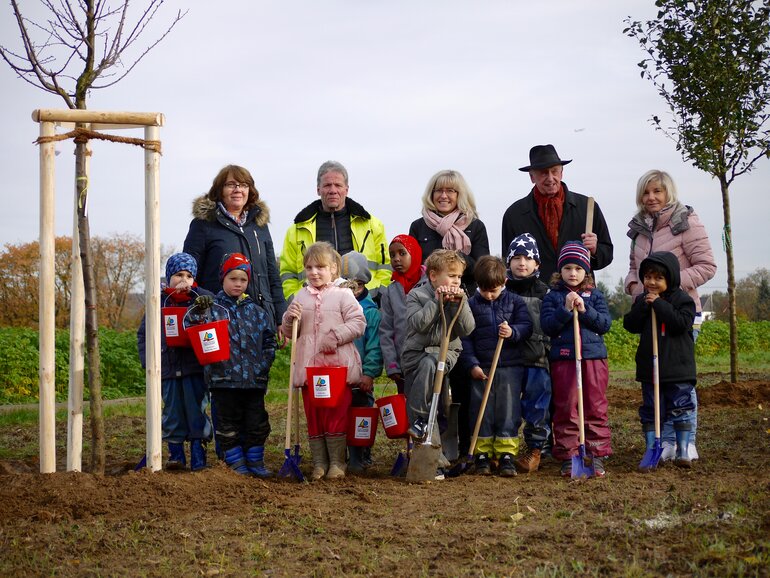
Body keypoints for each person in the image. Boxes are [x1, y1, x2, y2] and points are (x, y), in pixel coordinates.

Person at [624, 170, 716, 462]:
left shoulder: (686, 223)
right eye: (646, 192)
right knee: (655, 378)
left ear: (668, 194)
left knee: (678, 377)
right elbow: (633, 267)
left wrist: (670, 285)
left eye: (657, 192)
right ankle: (662, 443)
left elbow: (706, 266)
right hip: (649, 310)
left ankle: (685, 442)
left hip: (680, 310)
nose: (651, 198)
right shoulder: (639, 228)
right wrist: (634, 285)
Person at [409, 169, 490, 457]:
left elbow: (480, 267)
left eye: (451, 191)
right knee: (433, 385)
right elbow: (414, 266)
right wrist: (437, 276)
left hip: (461, 307)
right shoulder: (419, 227)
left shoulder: (474, 227)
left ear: (460, 195)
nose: (444, 196)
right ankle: (431, 444)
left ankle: (467, 446)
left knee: (464, 379)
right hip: (431, 309)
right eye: (438, 191)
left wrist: (450, 265)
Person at [282, 242, 366, 480]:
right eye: (309, 267)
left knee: (336, 414)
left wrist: (337, 336)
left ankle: (338, 463)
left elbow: (358, 323)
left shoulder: (343, 294)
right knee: (314, 415)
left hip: (337, 370)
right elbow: (291, 332)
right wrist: (289, 319)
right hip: (309, 369)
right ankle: (320, 463)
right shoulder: (300, 296)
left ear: (334, 269)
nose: (314, 272)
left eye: (320, 267)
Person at [183, 164, 286, 338]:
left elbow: (272, 274)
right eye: (231, 184)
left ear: (250, 190)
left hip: (260, 317)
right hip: (219, 317)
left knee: (261, 365)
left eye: (243, 185)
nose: (238, 190)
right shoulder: (204, 224)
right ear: (220, 189)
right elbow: (189, 271)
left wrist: (280, 317)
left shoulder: (260, 227)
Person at [198, 253, 276, 477]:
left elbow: (269, 341)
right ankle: (235, 463)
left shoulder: (257, 312)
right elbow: (195, 329)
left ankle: (255, 461)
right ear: (223, 278)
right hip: (223, 380)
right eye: (233, 278)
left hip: (254, 380)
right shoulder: (212, 310)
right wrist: (199, 311)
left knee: (257, 423)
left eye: (243, 279)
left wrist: (264, 364)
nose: (238, 284)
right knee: (227, 424)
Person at [402, 249, 475, 479]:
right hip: (417, 353)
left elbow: (467, 328)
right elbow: (418, 324)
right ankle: (438, 462)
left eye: (459, 277)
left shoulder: (461, 296)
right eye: (451, 276)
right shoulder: (416, 295)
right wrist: (436, 302)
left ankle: (420, 422)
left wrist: (459, 303)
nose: (456, 281)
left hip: (447, 352)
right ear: (433, 276)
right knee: (428, 389)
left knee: (430, 366)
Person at [541, 241, 612, 477]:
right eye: (568, 268)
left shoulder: (596, 296)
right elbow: (548, 326)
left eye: (578, 268)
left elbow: (604, 325)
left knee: (595, 406)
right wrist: (564, 308)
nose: (573, 273)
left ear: (586, 272)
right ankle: (569, 455)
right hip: (564, 359)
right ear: (560, 270)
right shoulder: (552, 296)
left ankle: (596, 454)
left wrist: (585, 310)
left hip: (593, 359)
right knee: (566, 408)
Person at [137, 253, 214, 471]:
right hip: (167, 369)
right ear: (169, 276)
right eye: (179, 275)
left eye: (189, 276)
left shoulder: (202, 299)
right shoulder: (158, 302)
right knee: (172, 413)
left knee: (197, 410)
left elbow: (213, 326)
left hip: (194, 368)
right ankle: (176, 455)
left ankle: (199, 456)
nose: (184, 280)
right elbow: (143, 335)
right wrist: (148, 363)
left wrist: (204, 307)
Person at [459, 256, 532, 477]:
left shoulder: (516, 302)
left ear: (504, 283)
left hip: (510, 367)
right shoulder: (470, 305)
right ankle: (482, 454)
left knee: (508, 410)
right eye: (484, 289)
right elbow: (465, 339)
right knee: (482, 411)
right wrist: (472, 365)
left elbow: (526, 326)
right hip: (482, 368)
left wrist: (513, 332)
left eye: (494, 290)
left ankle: (506, 454)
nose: (489, 294)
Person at [623, 251, 697, 469]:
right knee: (651, 409)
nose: (651, 282)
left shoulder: (683, 300)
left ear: (671, 278)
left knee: (680, 407)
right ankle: (652, 450)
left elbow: (681, 323)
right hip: (650, 370)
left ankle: (683, 450)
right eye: (647, 277)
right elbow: (630, 325)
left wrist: (659, 305)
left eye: (658, 278)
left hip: (677, 369)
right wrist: (645, 306)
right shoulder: (642, 300)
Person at [280, 160, 391, 301]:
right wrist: (297, 300)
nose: (333, 190)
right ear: (318, 189)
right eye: (327, 185)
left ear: (346, 189)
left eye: (338, 185)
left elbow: (385, 268)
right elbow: (287, 274)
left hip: (365, 303)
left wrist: (376, 295)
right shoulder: (296, 231)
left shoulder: (373, 226)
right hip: (315, 307)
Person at [501, 144, 614, 282]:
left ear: (561, 172)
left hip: (579, 297)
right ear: (532, 177)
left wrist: (595, 250)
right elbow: (507, 264)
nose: (550, 178)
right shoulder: (514, 215)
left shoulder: (587, 207)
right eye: (543, 172)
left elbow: (607, 255)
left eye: (554, 171)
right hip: (532, 299)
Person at [504, 234, 552, 474]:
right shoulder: (501, 291)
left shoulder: (546, 294)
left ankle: (536, 450)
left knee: (537, 407)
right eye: (517, 257)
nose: (522, 263)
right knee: (508, 408)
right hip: (509, 361)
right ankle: (506, 450)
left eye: (528, 258)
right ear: (509, 261)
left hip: (538, 360)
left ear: (537, 264)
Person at [339, 251, 383, 473]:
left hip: (360, 378)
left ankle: (361, 455)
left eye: (354, 286)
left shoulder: (371, 313)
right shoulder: (336, 309)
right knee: (341, 416)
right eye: (345, 285)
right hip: (339, 377)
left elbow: (375, 346)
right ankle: (341, 456)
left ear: (363, 284)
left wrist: (369, 373)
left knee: (361, 416)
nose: (350, 290)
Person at [379, 234, 425, 394]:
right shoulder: (390, 292)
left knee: (432, 406)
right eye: (392, 255)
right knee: (406, 407)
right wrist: (392, 364)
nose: (396, 259)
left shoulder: (430, 284)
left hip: (427, 359)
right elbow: (386, 330)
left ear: (415, 253)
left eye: (402, 253)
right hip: (403, 362)